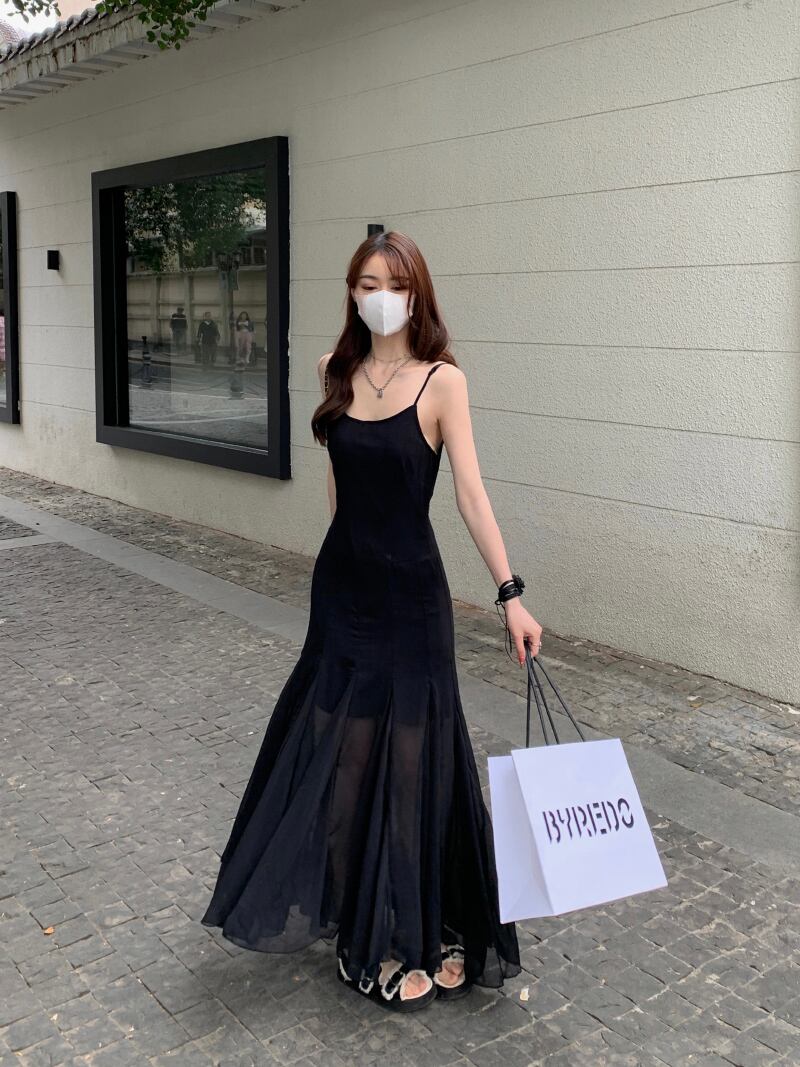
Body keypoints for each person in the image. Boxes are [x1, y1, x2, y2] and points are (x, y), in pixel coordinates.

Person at [201, 230, 543, 1011]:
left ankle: (424, 920)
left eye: (394, 283)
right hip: (345, 596)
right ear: (352, 292)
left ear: (417, 292)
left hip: (414, 598)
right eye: (366, 283)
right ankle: (367, 932)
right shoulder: (335, 370)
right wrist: (339, 569)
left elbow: (470, 495)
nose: (380, 296)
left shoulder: (443, 381)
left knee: (419, 765)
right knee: (349, 758)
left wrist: (510, 593)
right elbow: (337, 486)